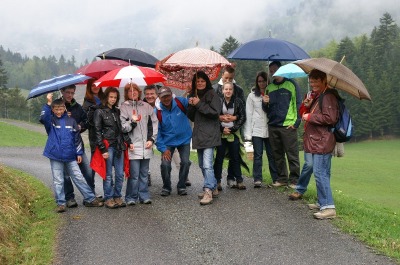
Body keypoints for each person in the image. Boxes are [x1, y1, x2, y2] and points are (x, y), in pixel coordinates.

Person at [40, 94, 104, 213]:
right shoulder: (51, 121)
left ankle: (90, 198)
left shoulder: (71, 121)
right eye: (56, 109)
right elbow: (43, 118)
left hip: (70, 155)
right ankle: (61, 203)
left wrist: (79, 153)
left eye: (61, 108)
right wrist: (48, 103)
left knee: (78, 177)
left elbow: (77, 138)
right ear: (53, 110)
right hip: (55, 155)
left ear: (64, 108)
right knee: (58, 180)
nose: (59, 111)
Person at [299, 69, 339, 219]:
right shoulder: (321, 95)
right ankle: (322, 202)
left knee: (320, 172)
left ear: (324, 81)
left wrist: (310, 116)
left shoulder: (328, 96)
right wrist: (308, 106)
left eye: (316, 81)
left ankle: (328, 208)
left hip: (322, 140)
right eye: (311, 81)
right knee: (323, 172)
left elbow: (330, 118)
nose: (313, 84)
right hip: (319, 140)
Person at [262, 61, 301, 188]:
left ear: (281, 70)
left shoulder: (291, 84)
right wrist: (265, 102)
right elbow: (266, 110)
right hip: (273, 125)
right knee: (277, 155)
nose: (273, 72)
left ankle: (295, 180)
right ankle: (282, 179)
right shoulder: (269, 87)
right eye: (271, 70)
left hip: (288, 125)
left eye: (275, 70)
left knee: (292, 154)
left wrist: (296, 123)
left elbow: (299, 104)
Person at [93, 87, 132, 209]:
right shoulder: (99, 112)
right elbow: (97, 131)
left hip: (119, 145)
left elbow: (122, 130)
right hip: (108, 146)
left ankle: (117, 196)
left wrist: (129, 140)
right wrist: (103, 149)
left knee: (120, 174)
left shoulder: (117, 111)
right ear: (106, 97)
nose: (113, 99)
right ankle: (108, 198)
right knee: (108, 174)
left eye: (115, 97)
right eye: (111, 97)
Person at [187, 71, 222, 205]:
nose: (200, 83)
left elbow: (215, 113)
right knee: (202, 164)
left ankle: (208, 191)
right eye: (197, 81)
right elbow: (191, 116)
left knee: (207, 165)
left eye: (202, 81)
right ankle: (212, 186)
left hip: (210, 134)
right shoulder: (193, 95)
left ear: (206, 82)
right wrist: (191, 105)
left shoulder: (213, 94)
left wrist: (199, 104)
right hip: (199, 134)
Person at [120, 82, 158, 205]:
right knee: (134, 174)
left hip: (146, 145)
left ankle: (144, 195)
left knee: (144, 173)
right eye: (130, 91)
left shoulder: (147, 106)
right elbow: (123, 128)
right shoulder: (124, 107)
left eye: (135, 90)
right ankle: (131, 197)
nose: (133, 93)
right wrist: (132, 122)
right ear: (126, 94)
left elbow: (153, 124)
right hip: (133, 146)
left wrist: (151, 139)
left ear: (139, 91)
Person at [59, 84, 95, 208]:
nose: (70, 95)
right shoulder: (56, 106)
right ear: (62, 91)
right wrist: (61, 116)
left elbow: (86, 121)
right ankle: (69, 198)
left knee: (88, 171)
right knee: (66, 174)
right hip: (63, 147)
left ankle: (90, 195)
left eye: (72, 93)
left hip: (77, 146)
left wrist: (81, 126)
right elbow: (47, 121)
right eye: (67, 92)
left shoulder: (78, 107)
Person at [244, 71, 278, 188]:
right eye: (259, 81)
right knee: (258, 155)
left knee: (271, 154)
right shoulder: (252, 96)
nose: (262, 83)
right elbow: (248, 114)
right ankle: (257, 178)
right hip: (256, 129)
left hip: (269, 128)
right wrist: (248, 134)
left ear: (267, 81)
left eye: (264, 81)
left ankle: (276, 178)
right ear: (256, 82)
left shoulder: (272, 93)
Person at [155, 86, 192, 196]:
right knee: (165, 164)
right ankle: (166, 187)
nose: (166, 99)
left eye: (167, 96)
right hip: (167, 142)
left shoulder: (181, 102)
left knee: (185, 162)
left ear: (171, 94)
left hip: (184, 139)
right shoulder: (157, 111)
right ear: (159, 98)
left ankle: (181, 186)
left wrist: (192, 92)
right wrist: (163, 149)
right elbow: (157, 133)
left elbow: (192, 105)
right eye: (163, 97)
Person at [213, 81, 247, 190]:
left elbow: (243, 117)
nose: (228, 91)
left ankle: (239, 180)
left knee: (235, 157)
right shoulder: (218, 101)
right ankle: (217, 181)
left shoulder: (238, 101)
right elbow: (214, 116)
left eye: (230, 89)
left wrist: (232, 129)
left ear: (233, 91)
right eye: (226, 89)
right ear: (222, 90)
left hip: (234, 133)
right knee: (219, 157)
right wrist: (222, 128)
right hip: (221, 133)